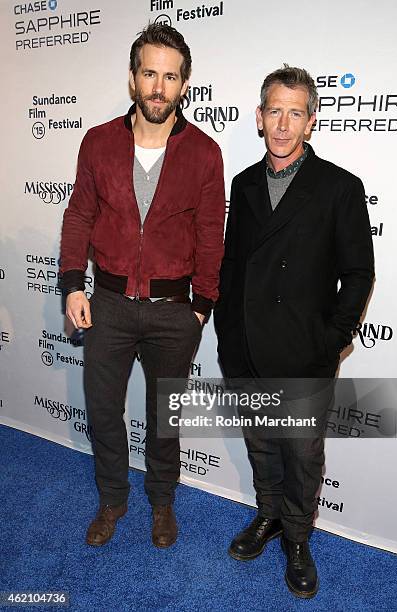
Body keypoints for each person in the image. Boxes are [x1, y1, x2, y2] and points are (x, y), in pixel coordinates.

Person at [60, 23, 225, 549]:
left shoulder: (204, 152)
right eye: (149, 73)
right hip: (105, 304)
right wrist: (71, 284)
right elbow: (80, 216)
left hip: (173, 311)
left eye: (170, 77)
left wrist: (200, 306)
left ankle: (161, 501)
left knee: (164, 417)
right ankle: (112, 498)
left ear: (184, 85)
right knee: (104, 410)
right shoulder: (98, 142)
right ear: (133, 79)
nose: (159, 86)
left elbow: (210, 235)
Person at [214, 65, 374, 598]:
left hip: (304, 353)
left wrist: (331, 340)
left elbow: (358, 274)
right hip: (246, 350)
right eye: (274, 111)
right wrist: (226, 328)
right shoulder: (242, 185)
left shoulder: (339, 188)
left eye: (295, 112)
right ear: (259, 118)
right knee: (262, 445)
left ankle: (298, 537)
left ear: (311, 120)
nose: (283, 124)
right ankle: (269, 515)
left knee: (303, 455)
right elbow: (232, 265)